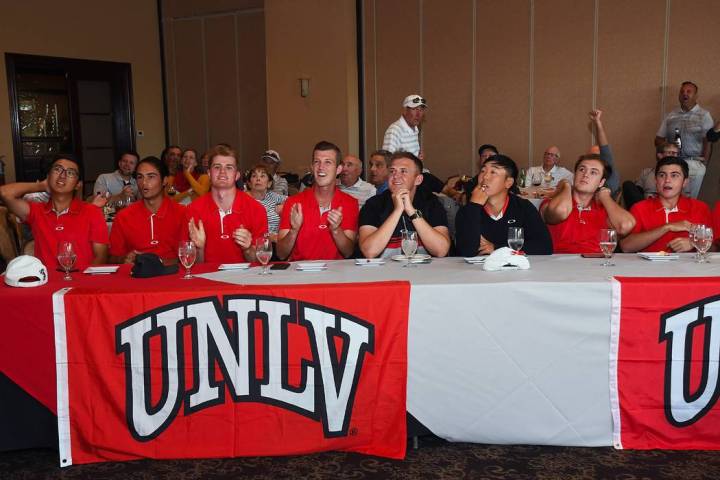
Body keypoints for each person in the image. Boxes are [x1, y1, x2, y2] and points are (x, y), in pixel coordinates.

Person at [0, 154, 108, 268]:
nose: (62, 175)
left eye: (70, 172)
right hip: (47, 282)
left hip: (81, 281)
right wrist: (42, 185)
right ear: (48, 176)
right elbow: (4, 193)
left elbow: (101, 257)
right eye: (57, 169)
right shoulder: (36, 211)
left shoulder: (92, 212)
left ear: (78, 185)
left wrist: (84, 282)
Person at [276, 141, 358, 261]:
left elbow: (348, 252)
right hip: (300, 275)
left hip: (336, 276)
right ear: (312, 167)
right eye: (317, 162)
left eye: (328, 162)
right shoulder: (293, 203)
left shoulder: (350, 203)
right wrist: (294, 230)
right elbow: (281, 254)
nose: (321, 167)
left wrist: (336, 230)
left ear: (339, 169)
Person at [185, 144, 268, 263]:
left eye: (229, 167)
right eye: (217, 167)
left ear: (237, 175)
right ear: (209, 173)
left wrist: (248, 249)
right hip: (207, 279)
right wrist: (199, 248)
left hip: (244, 279)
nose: (222, 172)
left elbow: (262, 263)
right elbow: (190, 266)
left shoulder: (256, 209)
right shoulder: (193, 209)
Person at [455, 154, 552, 256]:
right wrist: (474, 207)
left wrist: (497, 248)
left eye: (493, 172)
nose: (485, 177)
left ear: (508, 182)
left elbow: (544, 245)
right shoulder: (468, 210)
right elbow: (465, 251)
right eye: (483, 171)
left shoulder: (523, 207)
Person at [359, 152, 450, 258]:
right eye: (392, 171)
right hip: (385, 272)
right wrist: (397, 211)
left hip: (424, 271)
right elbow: (369, 251)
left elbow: (441, 251)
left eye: (403, 171)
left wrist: (411, 211)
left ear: (418, 180)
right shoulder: (373, 204)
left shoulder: (431, 203)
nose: (396, 176)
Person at [540, 154, 635, 254]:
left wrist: (605, 196)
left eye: (593, 172)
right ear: (574, 174)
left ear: (601, 182)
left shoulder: (605, 209)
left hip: (595, 265)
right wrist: (566, 185)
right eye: (581, 169)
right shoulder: (553, 202)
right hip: (557, 264)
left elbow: (625, 226)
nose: (585, 175)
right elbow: (560, 211)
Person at [620, 157, 712, 253]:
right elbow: (625, 246)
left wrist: (693, 243)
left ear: (685, 182)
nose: (667, 180)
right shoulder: (639, 208)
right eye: (662, 175)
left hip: (688, 267)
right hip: (649, 267)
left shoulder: (700, 208)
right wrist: (667, 227)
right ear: (656, 181)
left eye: (674, 175)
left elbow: (714, 247)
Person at [109, 156, 186, 264]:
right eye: (140, 177)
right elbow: (113, 258)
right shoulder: (123, 216)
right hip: (136, 277)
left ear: (164, 181)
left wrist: (157, 263)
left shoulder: (182, 213)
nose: (144, 182)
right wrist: (124, 259)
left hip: (174, 276)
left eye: (151, 177)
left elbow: (189, 255)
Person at [654, 81, 713, 198]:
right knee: (669, 196)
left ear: (696, 96)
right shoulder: (670, 116)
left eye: (688, 91)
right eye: (682, 91)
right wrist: (667, 147)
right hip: (673, 161)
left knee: (688, 200)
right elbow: (658, 139)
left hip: (694, 162)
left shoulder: (704, 115)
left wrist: (704, 163)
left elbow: (708, 141)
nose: (684, 94)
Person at [622, 142, 679, 210]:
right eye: (670, 153)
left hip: (668, 207)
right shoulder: (646, 172)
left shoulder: (679, 175)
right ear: (660, 155)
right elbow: (637, 193)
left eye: (676, 153)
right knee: (628, 184)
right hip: (646, 208)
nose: (674, 156)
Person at [245, 163, 286, 242]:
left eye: (262, 176)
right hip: (256, 244)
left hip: (277, 242)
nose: (258, 179)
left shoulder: (271, 195)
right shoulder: (245, 199)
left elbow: (294, 200)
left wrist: (284, 206)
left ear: (269, 183)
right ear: (249, 183)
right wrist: (269, 237)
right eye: (254, 176)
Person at [588, 110, 620, 195]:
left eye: (597, 156)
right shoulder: (585, 174)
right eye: (590, 157)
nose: (593, 160)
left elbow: (604, 148)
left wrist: (598, 122)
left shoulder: (609, 175)